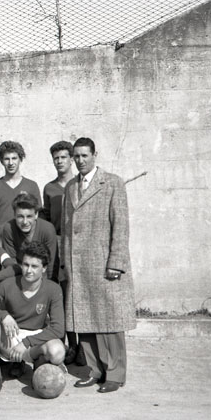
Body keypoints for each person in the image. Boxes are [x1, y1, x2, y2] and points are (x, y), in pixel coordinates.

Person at [62, 137, 136, 393]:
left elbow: (121, 226)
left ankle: (115, 374)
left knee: (110, 321)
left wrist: (116, 262)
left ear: (95, 155)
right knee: (85, 320)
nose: (80, 161)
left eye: (85, 155)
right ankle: (94, 370)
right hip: (79, 266)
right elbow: (66, 229)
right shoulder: (70, 186)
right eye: (76, 156)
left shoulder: (112, 183)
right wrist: (66, 263)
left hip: (103, 264)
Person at [0, 241, 66, 398]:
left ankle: (40, 364)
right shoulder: (7, 284)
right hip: (10, 336)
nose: (28, 270)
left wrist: (26, 343)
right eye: (25, 265)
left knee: (57, 351)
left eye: (34, 266)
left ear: (44, 268)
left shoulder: (53, 289)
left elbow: (58, 329)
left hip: (33, 342)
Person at [42, 141, 80, 363]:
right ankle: (62, 344)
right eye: (56, 158)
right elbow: (47, 219)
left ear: (71, 159)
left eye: (63, 157)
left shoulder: (79, 185)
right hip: (55, 244)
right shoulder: (49, 188)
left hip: (75, 244)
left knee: (73, 295)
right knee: (58, 294)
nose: (59, 161)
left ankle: (78, 345)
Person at [0, 141, 41, 245]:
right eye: (7, 159)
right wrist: (4, 232)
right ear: (1, 161)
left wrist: (28, 232)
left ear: (20, 159)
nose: (10, 163)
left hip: (27, 238)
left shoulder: (31, 186)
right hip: (2, 239)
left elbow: (38, 213)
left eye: (14, 158)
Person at [2, 193, 57, 282]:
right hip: (19, 274)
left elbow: (51, 265)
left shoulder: (47, 229)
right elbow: (11, 263)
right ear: (14, 215)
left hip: (42, 275)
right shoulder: (9, 229)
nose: (25, 222)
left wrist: (47, 285)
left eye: (29, 216)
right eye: (20, 217)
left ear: (36, 215)